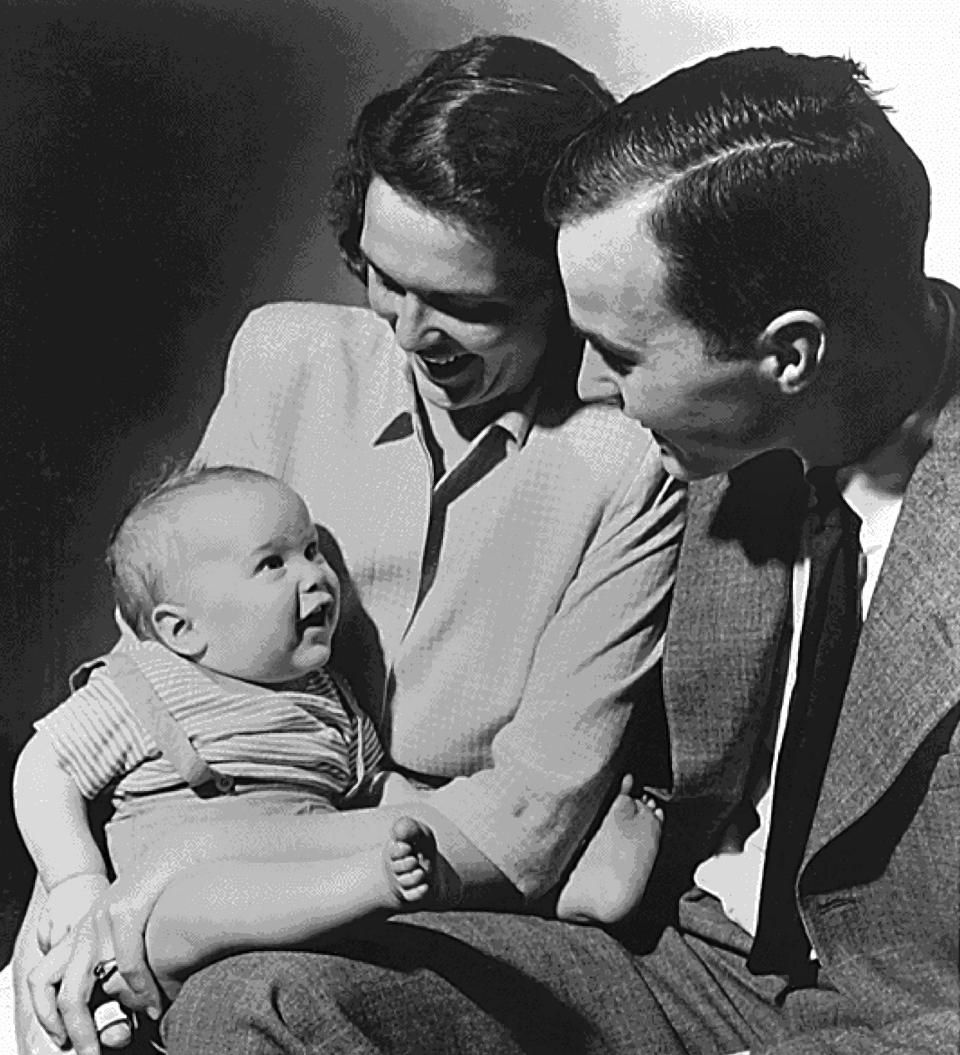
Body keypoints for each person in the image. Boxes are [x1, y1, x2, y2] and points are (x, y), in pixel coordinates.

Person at [141, 44, 955, 1054]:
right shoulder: (721, 439)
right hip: (681, 961)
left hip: (901, 1020)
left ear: (788, 353)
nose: (593, 392)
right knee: (254, 1003)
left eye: (617, 356)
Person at [19, 34, 683, 1055]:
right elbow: (153, 661)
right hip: (175, 867)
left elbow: (525, 829)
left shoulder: (624, 461)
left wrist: (173, 874)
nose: (412, 333)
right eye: (381, 277)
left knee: (237, 1007)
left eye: (468, 305)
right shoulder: (288, 357)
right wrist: (75, 894)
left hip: (437, 906)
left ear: (568, 279)